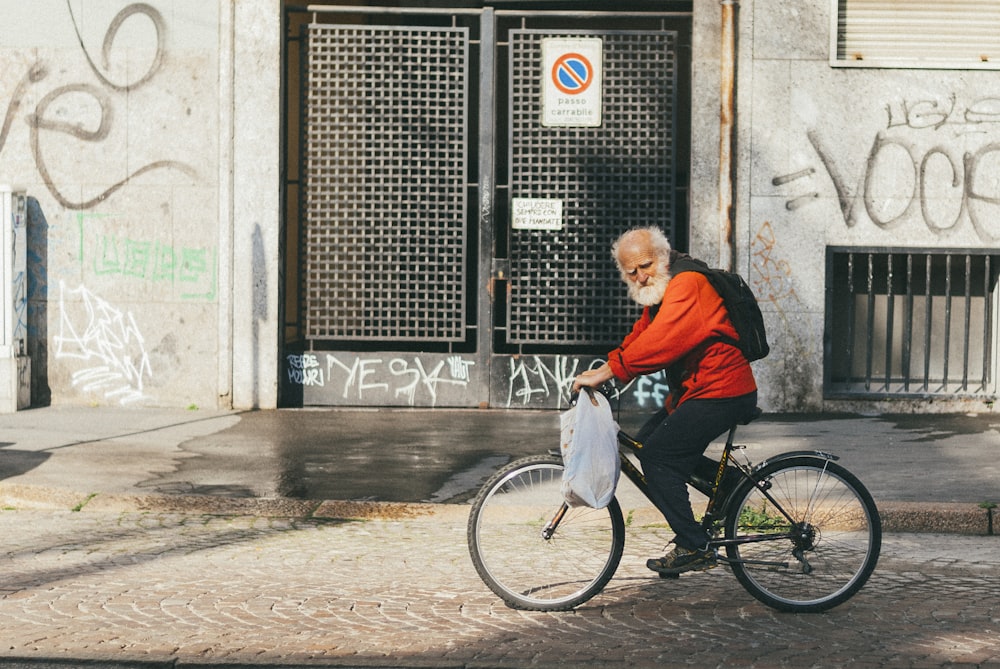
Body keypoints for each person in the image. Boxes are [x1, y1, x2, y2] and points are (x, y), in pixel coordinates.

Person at [572, 226, 758, 575]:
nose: (640, 277)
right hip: (700, 390)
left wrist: (611, 371)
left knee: (659, 457)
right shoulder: (664, 290)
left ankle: (694, 545)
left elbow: (662, 342)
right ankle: (731, 484)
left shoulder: (688, 284)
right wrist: (607, 366)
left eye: (645, 266)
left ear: (662, 256)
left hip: (722, 390)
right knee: (647, 444)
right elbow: (642, 336)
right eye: (632, 272)